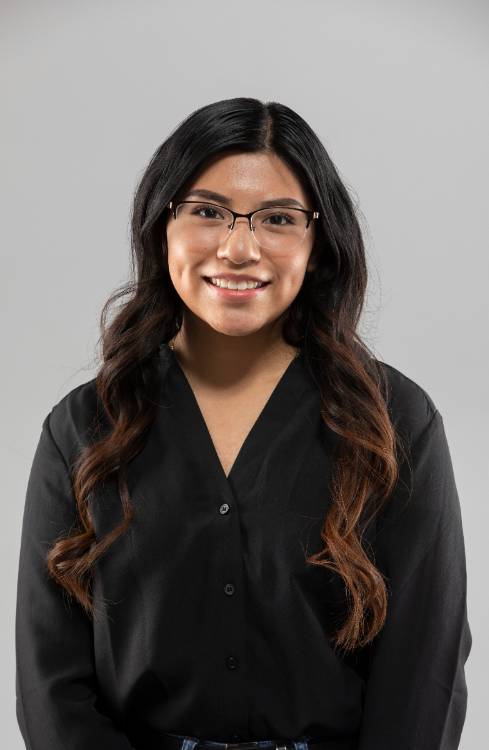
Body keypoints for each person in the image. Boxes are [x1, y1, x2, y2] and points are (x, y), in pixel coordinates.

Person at [15, 97, 472, 750]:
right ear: (161, 226)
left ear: (317, 243)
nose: (238, 248)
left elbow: (423, 667)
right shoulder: (83, 428)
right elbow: (47, 678)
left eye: (277, 219)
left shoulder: (397, 422)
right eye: (206, 212)